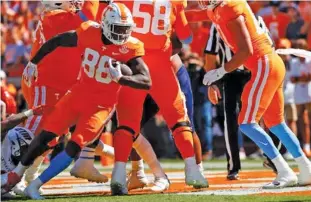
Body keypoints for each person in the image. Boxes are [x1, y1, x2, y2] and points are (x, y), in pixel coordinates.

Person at [2, 4, 152, 199]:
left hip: (100, 106)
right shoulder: (88, 30)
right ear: (105, 25)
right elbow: (58, 41)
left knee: (75, 144)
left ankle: (35, 184)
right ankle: (16, 175)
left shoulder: (130, 46)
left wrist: (121, 78)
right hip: (76, 94)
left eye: (125, 29)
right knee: (46, 133)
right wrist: (33, 62)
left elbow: (146, 81)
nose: (122, 34)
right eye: (117, 28)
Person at [187, 0, 311, 189]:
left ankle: (283, 171)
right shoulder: (218, 8)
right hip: (270, 63)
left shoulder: (229, 7)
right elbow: (192, 11)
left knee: (247, 122)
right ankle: (306, 169)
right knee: (276, 124)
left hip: (262, 64)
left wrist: (220, 71)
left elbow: (245, 51)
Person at [110, 0, 208, 195]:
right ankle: (193, 170)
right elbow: (186, 36)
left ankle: (118, 175)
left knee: (126, 123)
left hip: (133, 63)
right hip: (161, 64)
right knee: (178, 119)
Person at [204, 24, 250, 180]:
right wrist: (212, 83)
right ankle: (233, 166)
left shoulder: (252, 19)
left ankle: (273, 160)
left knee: (263, 117)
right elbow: (210, 54)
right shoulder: (217, 25)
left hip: (253, 72)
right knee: (230, 120)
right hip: (230, 75)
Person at [1, 106, 44, 196]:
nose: (28, 153)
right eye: (27, 149)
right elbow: (5, 124)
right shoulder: (3, 142)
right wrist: (31, 112)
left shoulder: (19, 161)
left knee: (7, 183)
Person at [290, 39, 311, 158]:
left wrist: (300, 79)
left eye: (301, 46)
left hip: (310, 93)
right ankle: (306, 145)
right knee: (302, 120)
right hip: (298, 94)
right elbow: (293, 79)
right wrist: (302, 79)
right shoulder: (294, 62)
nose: (299, 49)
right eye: (297, 47)